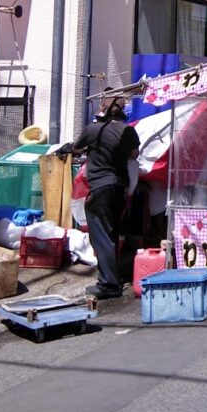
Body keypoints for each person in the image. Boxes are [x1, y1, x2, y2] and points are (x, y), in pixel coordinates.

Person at [61, 95, 140, 299]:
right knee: (112, 233)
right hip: (120, 188)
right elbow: (134, 155)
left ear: (102, 110)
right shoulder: (128, 131)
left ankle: (109, 284)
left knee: (101, 236)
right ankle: (113, 276)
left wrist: (90, 148)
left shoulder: (93, 130)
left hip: (100, 188)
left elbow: (76, 148)